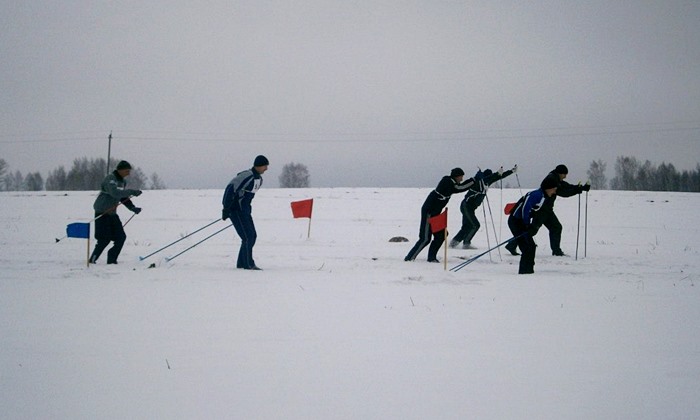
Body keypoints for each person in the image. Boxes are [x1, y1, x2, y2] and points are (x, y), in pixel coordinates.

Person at [506, 164, 590, 256]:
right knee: (532, 230)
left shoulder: (556, 178)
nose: (565, 177)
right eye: (564, 174)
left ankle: (556, 251)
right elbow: (563, 192)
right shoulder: (552, 180)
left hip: (547, 210)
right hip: (541, 211)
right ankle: (512, 244)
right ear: (560, 173)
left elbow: (565, 186)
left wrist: (579, 188)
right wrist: (577, 190)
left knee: (556, 227)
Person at [404, 168, 475, 263]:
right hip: (429, 212)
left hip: (436, 214)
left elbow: (460, 186)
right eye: (461, 177)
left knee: (441, 235)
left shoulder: (452, 182)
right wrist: (474, 180)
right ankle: (409, 258)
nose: (461, 179)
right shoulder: (447, 181)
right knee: (425, 238)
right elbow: (459, 188)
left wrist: (474, 179)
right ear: (456, 176)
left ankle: (432, 258)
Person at [450, 165, 516, 249]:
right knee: (475, 225)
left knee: (467, 226)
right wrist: (496, 174)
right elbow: (491, 177)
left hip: (470, 208)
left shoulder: (486, 182)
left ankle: (453, 243)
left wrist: (511, 171)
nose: (490, 180)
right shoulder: (478, 182)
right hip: (466, 206)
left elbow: (499, 177)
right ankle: (466, 243)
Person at [89, 160, 142, 264]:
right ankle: (92, 260)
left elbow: (122, 197)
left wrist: (132, 208)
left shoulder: (122, 182)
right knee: (104, 240)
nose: (128, 173)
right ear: (120, 170)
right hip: (102, 212)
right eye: (127, 171)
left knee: (120, 237)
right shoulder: (110, 179)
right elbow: (115, 193)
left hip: (112, 213)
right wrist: (132, 191)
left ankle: (112, 261)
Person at [222, 155, 269, 270]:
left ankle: (242, 263)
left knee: (252, 236)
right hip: (236, 210)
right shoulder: (247, 175)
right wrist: (226, 208)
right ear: (258, 165)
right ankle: (249, 264)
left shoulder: (259, 179)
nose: (266, 169)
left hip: (245, 211)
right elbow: (230, 188)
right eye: (265, 166)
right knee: (247, 237)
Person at [507, 175, 558, 274]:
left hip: (521, 222)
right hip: (516, 221)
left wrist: (533, 226)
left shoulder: (543, 196)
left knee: (531, 246)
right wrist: (526, 225)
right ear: (548, 188)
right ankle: (524, 273)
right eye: (554, 189)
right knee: (527, 247)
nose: (554, 192)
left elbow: (536, 213)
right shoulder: (536, 195)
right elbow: (525, 208)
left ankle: (529, 271)